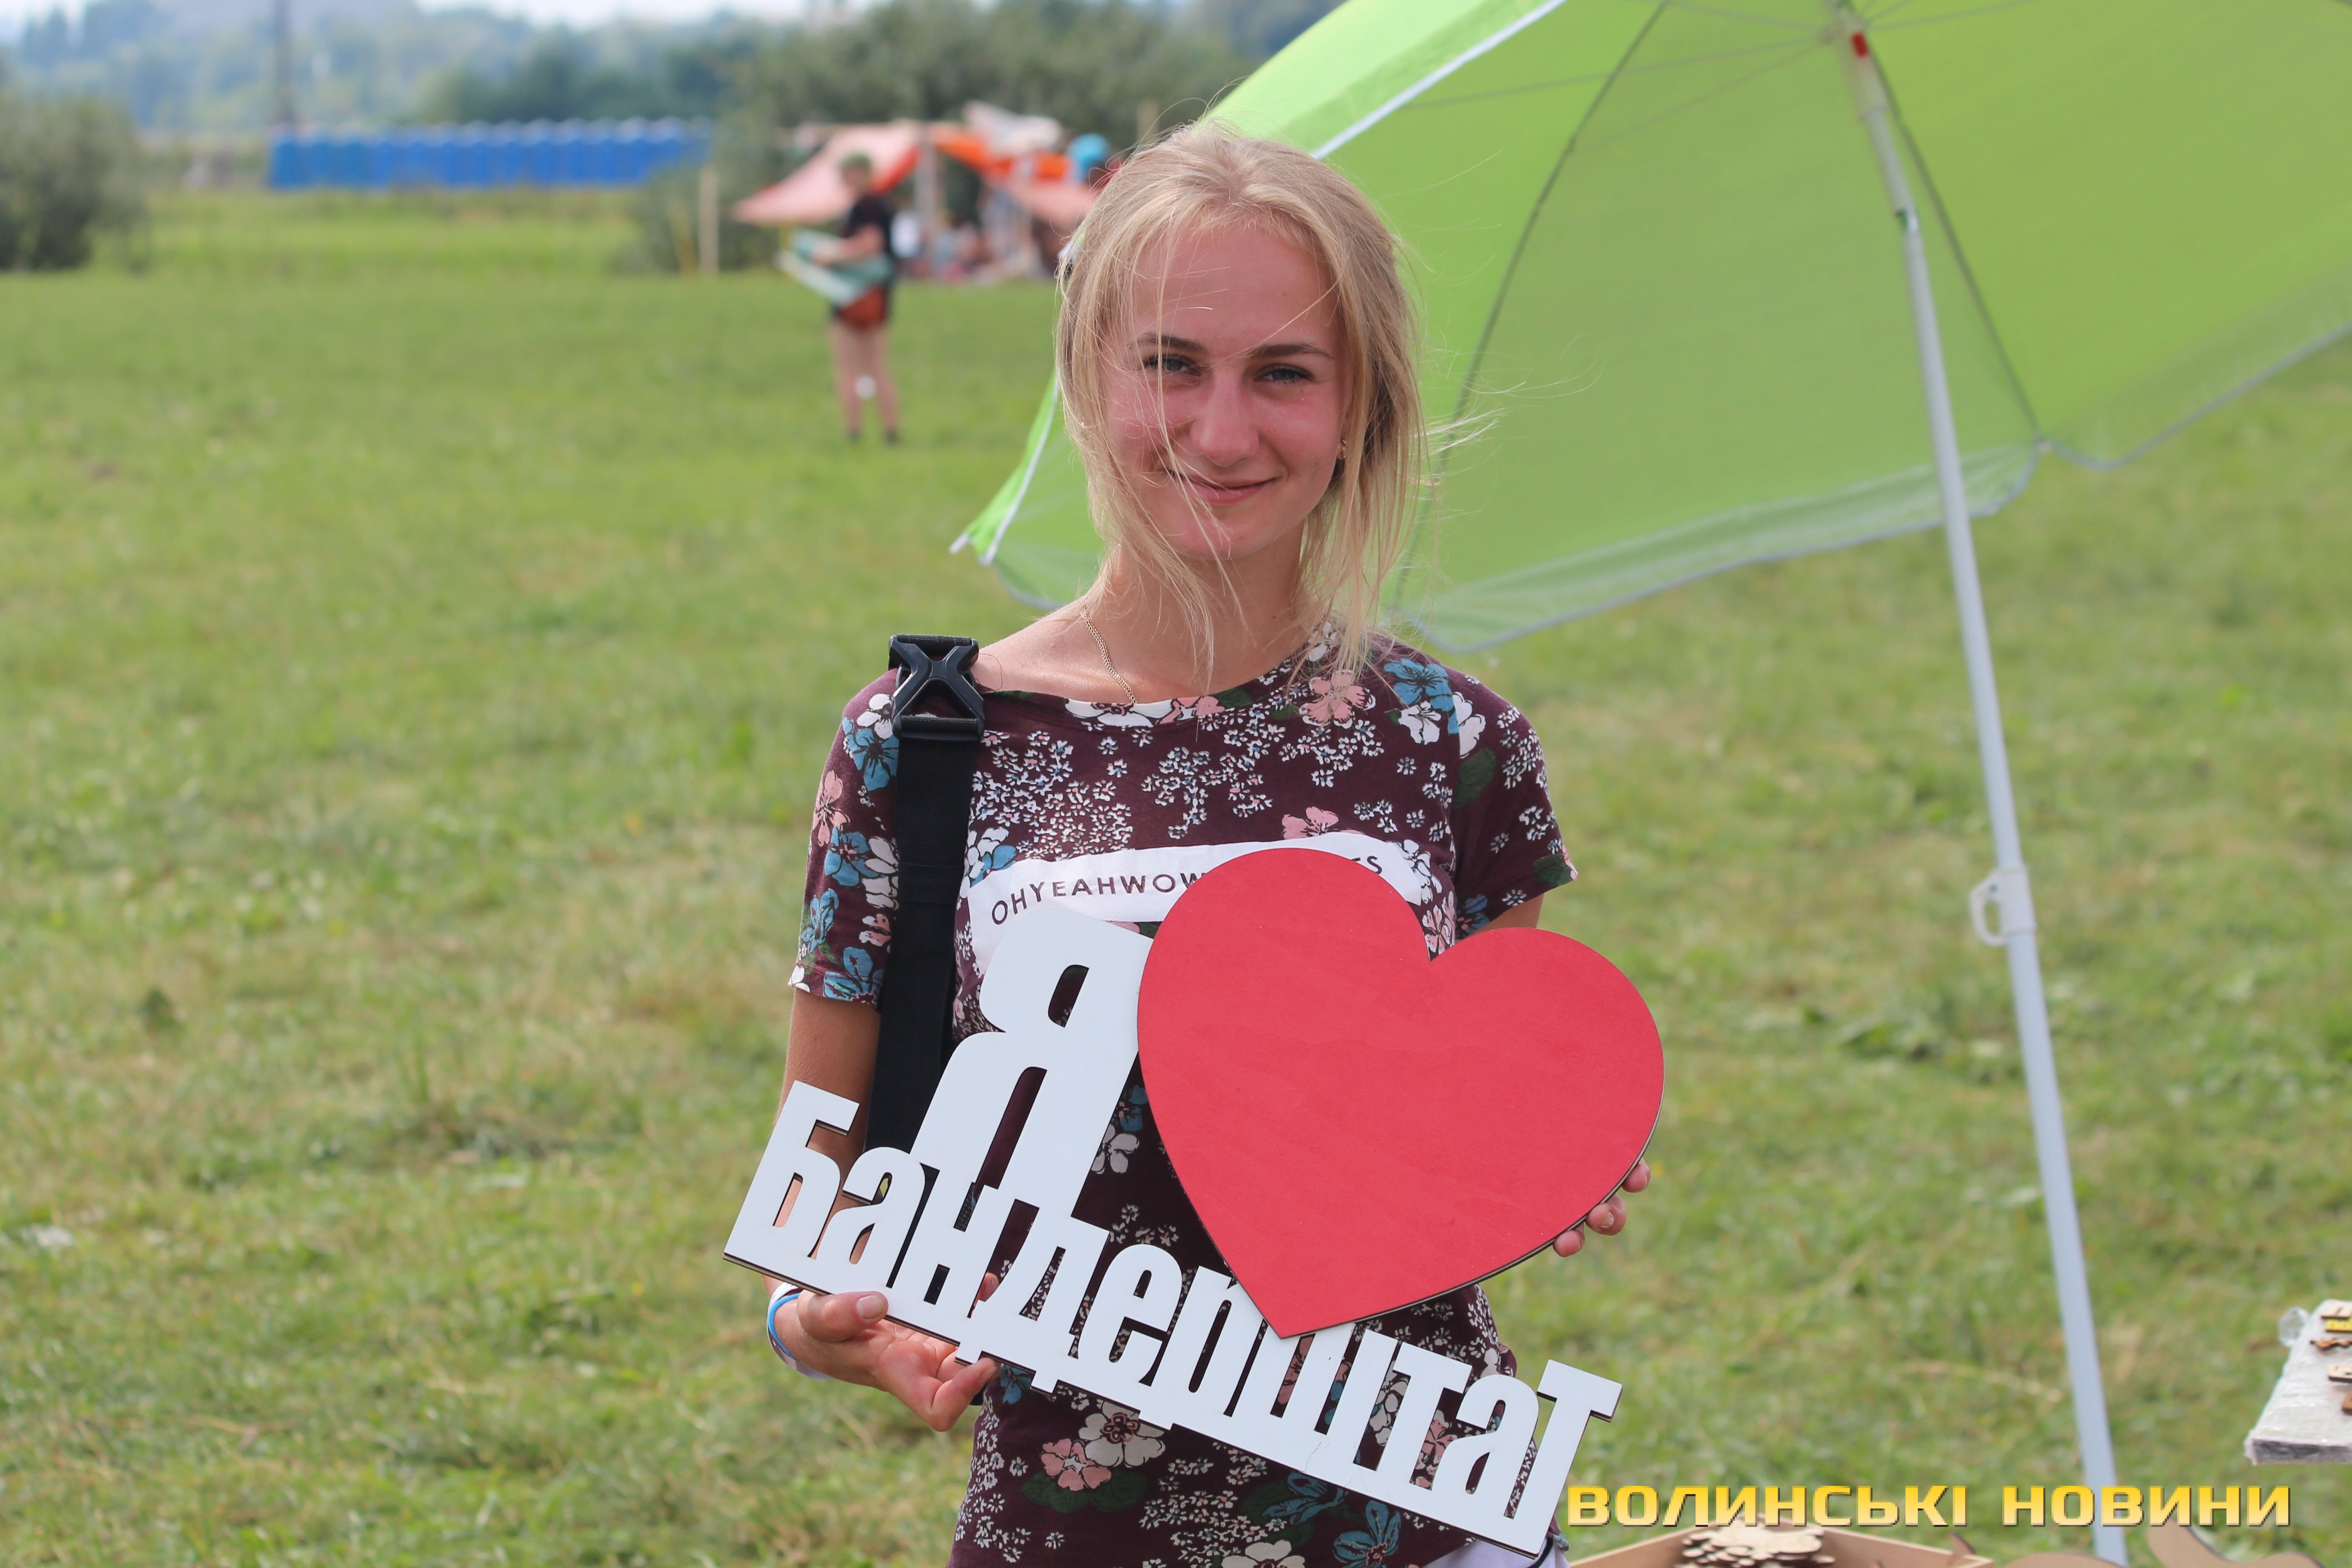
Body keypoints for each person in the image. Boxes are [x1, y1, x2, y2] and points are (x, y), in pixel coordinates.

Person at [770, 123, 1651, 1568]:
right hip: (1070, 1524)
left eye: (1285, 374)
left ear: (1363, 406)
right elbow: (817, 1189)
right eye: (1171, 365)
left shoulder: (1455, 743)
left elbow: (1450, 1138)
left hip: (1435, 1516)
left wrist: (1543, 1151)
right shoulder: (924, 745)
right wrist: (821, 1320)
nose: (1224, 433)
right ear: (1085, 378)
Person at [812, 152, 902, 443]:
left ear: (861, 172)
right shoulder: (880, 205)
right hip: (878, 296)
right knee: (876, 368)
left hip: (855, 296)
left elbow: (870, 244)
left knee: (852, 369)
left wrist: (832, 256)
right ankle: (890, 431)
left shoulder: (866, 206)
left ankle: (854, 430)